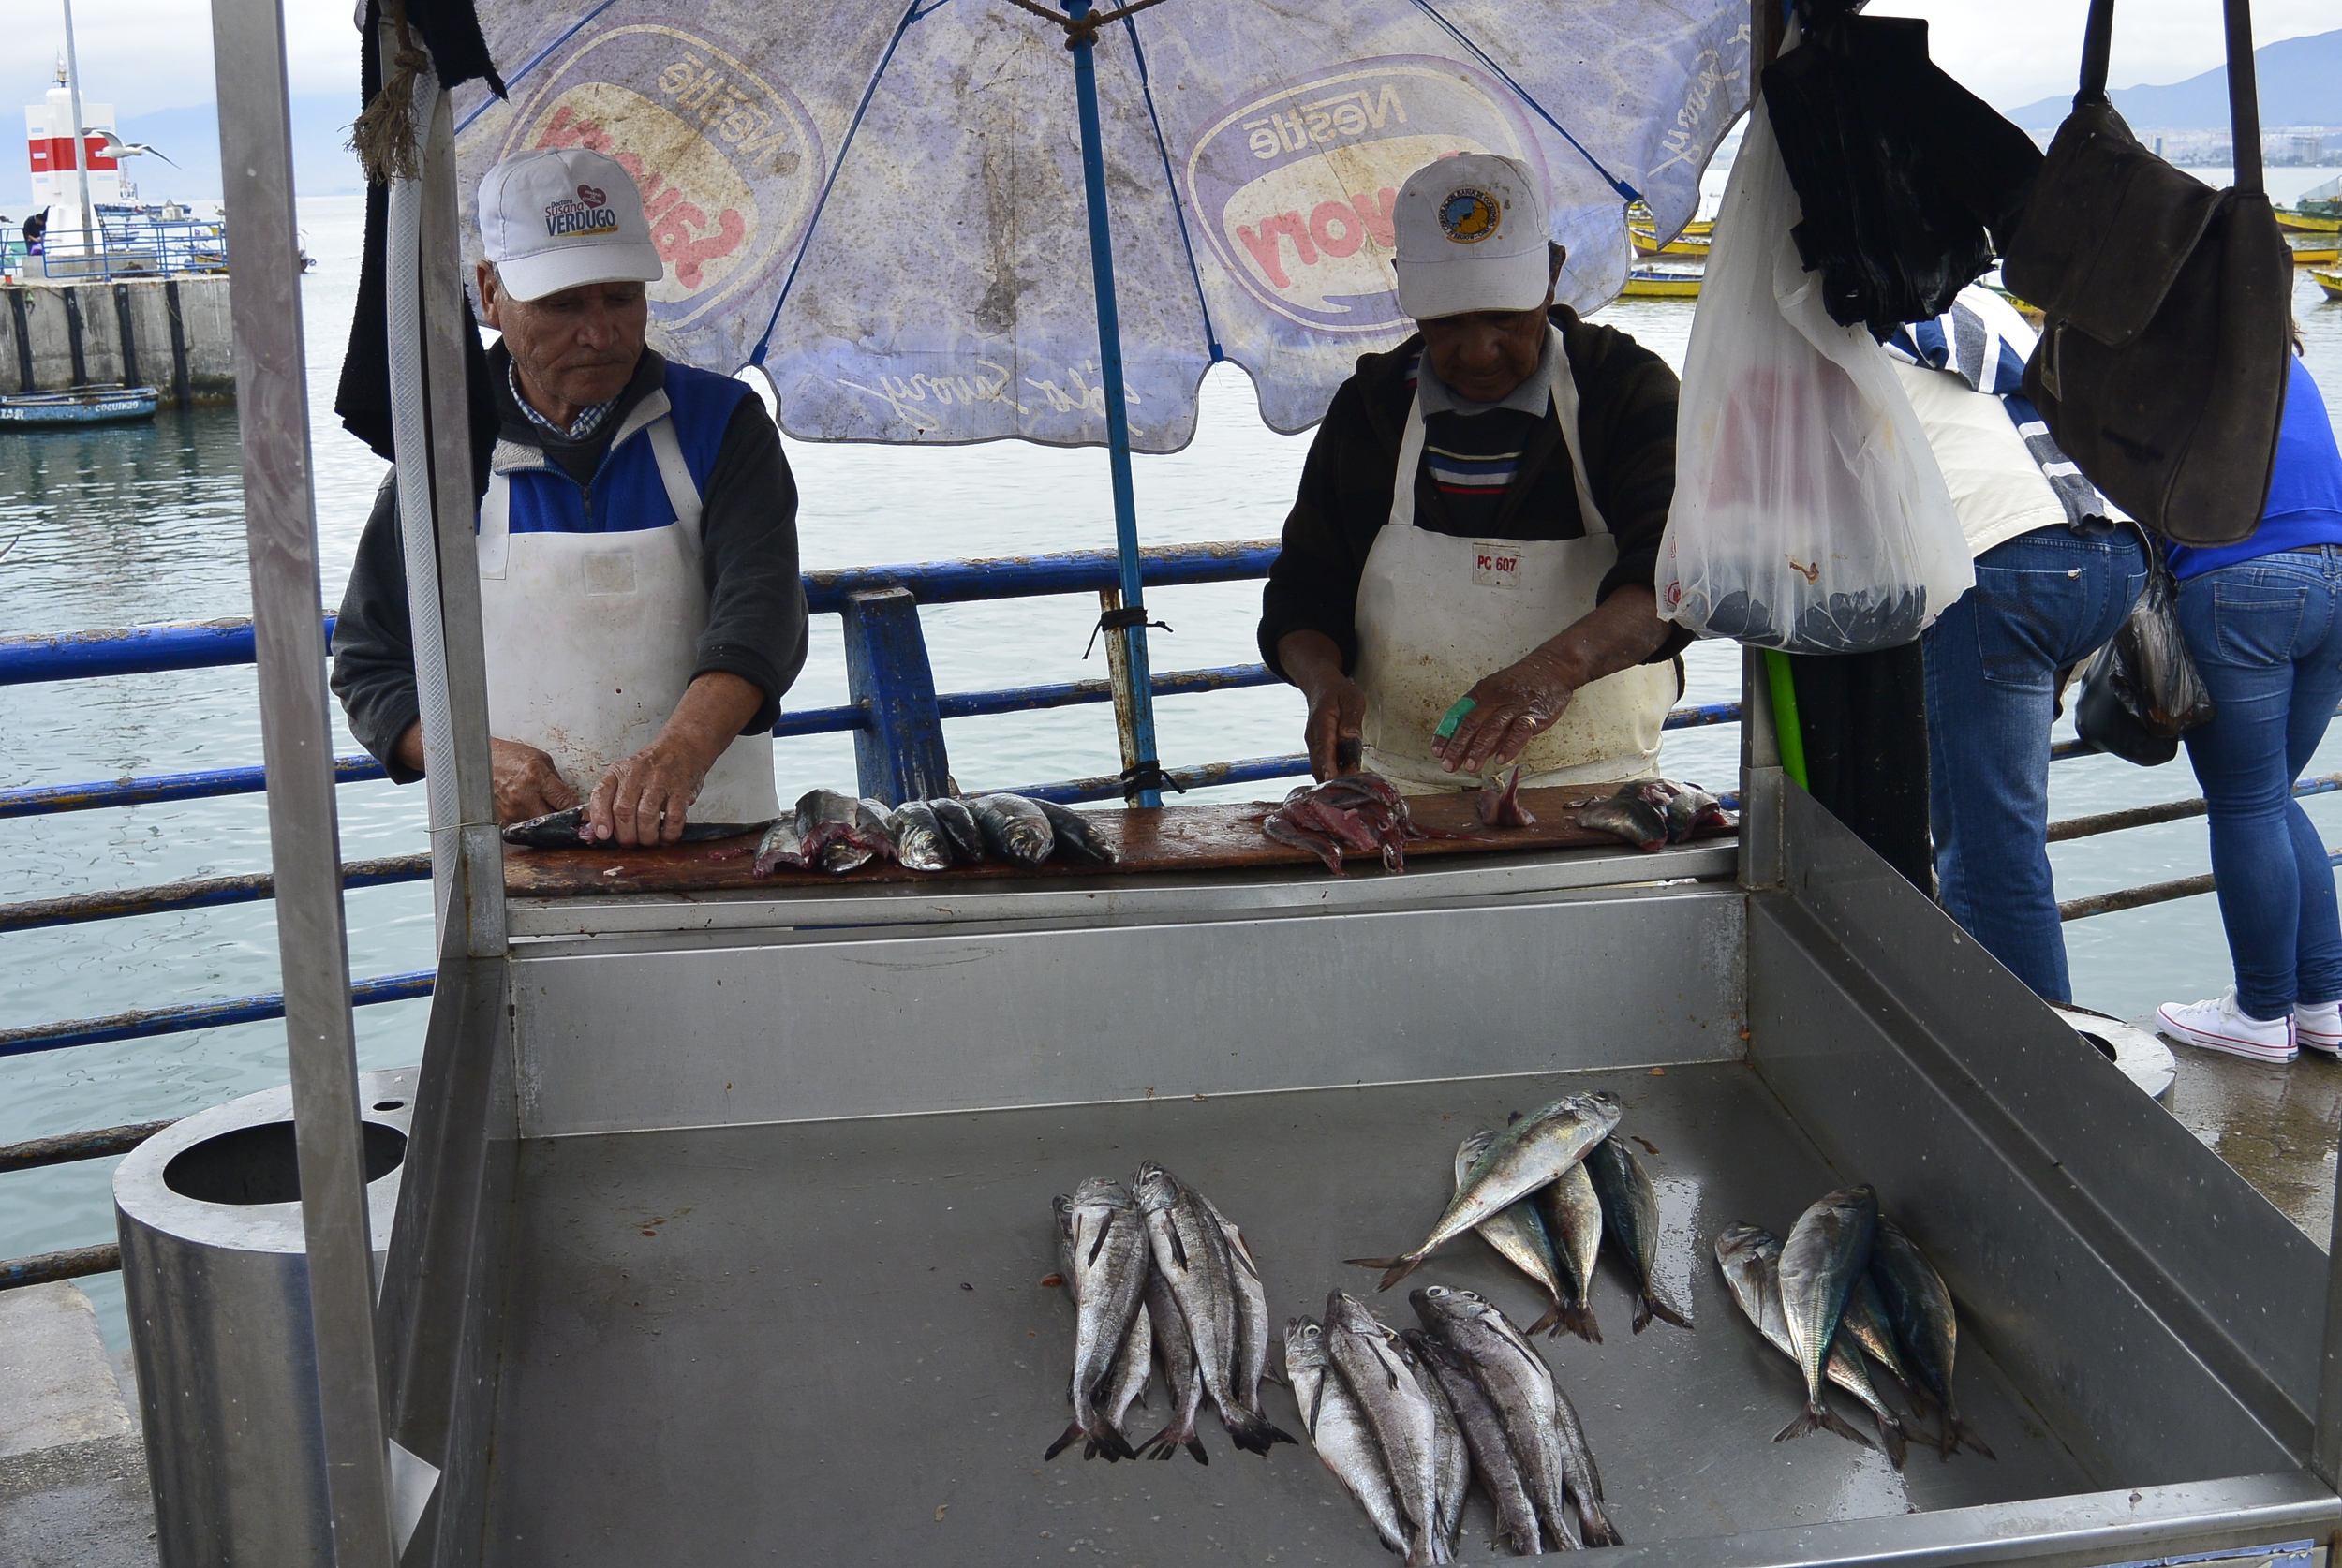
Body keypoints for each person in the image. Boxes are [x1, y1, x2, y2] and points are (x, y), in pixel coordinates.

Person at [332, 148, 808, 845]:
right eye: (560, 305)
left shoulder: (723, 425)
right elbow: (371, 665)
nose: (599, 332)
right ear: (490, 294)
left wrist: (677, 757)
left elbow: (763, 616)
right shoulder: (444, 452)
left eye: (621, 297)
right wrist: (470, 761)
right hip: (515, 860)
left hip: (719, 839)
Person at [1257, 154, 1684, 791]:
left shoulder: (1624, 391)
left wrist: (1555, 669)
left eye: (1505, 318)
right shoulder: (1369, 411)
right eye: (1447, 324)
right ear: (1407, 291)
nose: (1478, 351)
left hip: (1600, 789)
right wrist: (1323, 680)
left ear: (1551, 275)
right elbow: (1303, 594)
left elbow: (1675, 580)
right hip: (1401, 793)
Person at [1887, 285, 2146, 1002]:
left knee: (1987, 851)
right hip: (2110, 553)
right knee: (2002, 828)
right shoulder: (1975, 301)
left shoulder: (1844, 311)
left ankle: (2030, 1074)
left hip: (2004, 564)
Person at [2156, 342, 2342, 1064]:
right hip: (2333, 571)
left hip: (2242, 576)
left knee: (2246, 802)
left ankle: (2261, 1013)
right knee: (2270, 794)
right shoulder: (2280, 357)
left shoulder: (2174, 353)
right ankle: (2324, 1003)